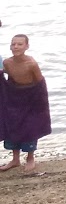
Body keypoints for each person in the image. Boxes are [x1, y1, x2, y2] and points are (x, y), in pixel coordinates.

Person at [3, 34, 50, 175]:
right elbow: (7, 79)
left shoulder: (31, 63)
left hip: (31, 96)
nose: (16, 47)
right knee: (12, 125)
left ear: (27, 46)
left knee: (30, 126)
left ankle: (30, 158)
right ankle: (15, 159)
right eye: (13, 44)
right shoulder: (7, 62)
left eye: (19, 44)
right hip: (14, 95)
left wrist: (41, 104)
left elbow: (40, 83)